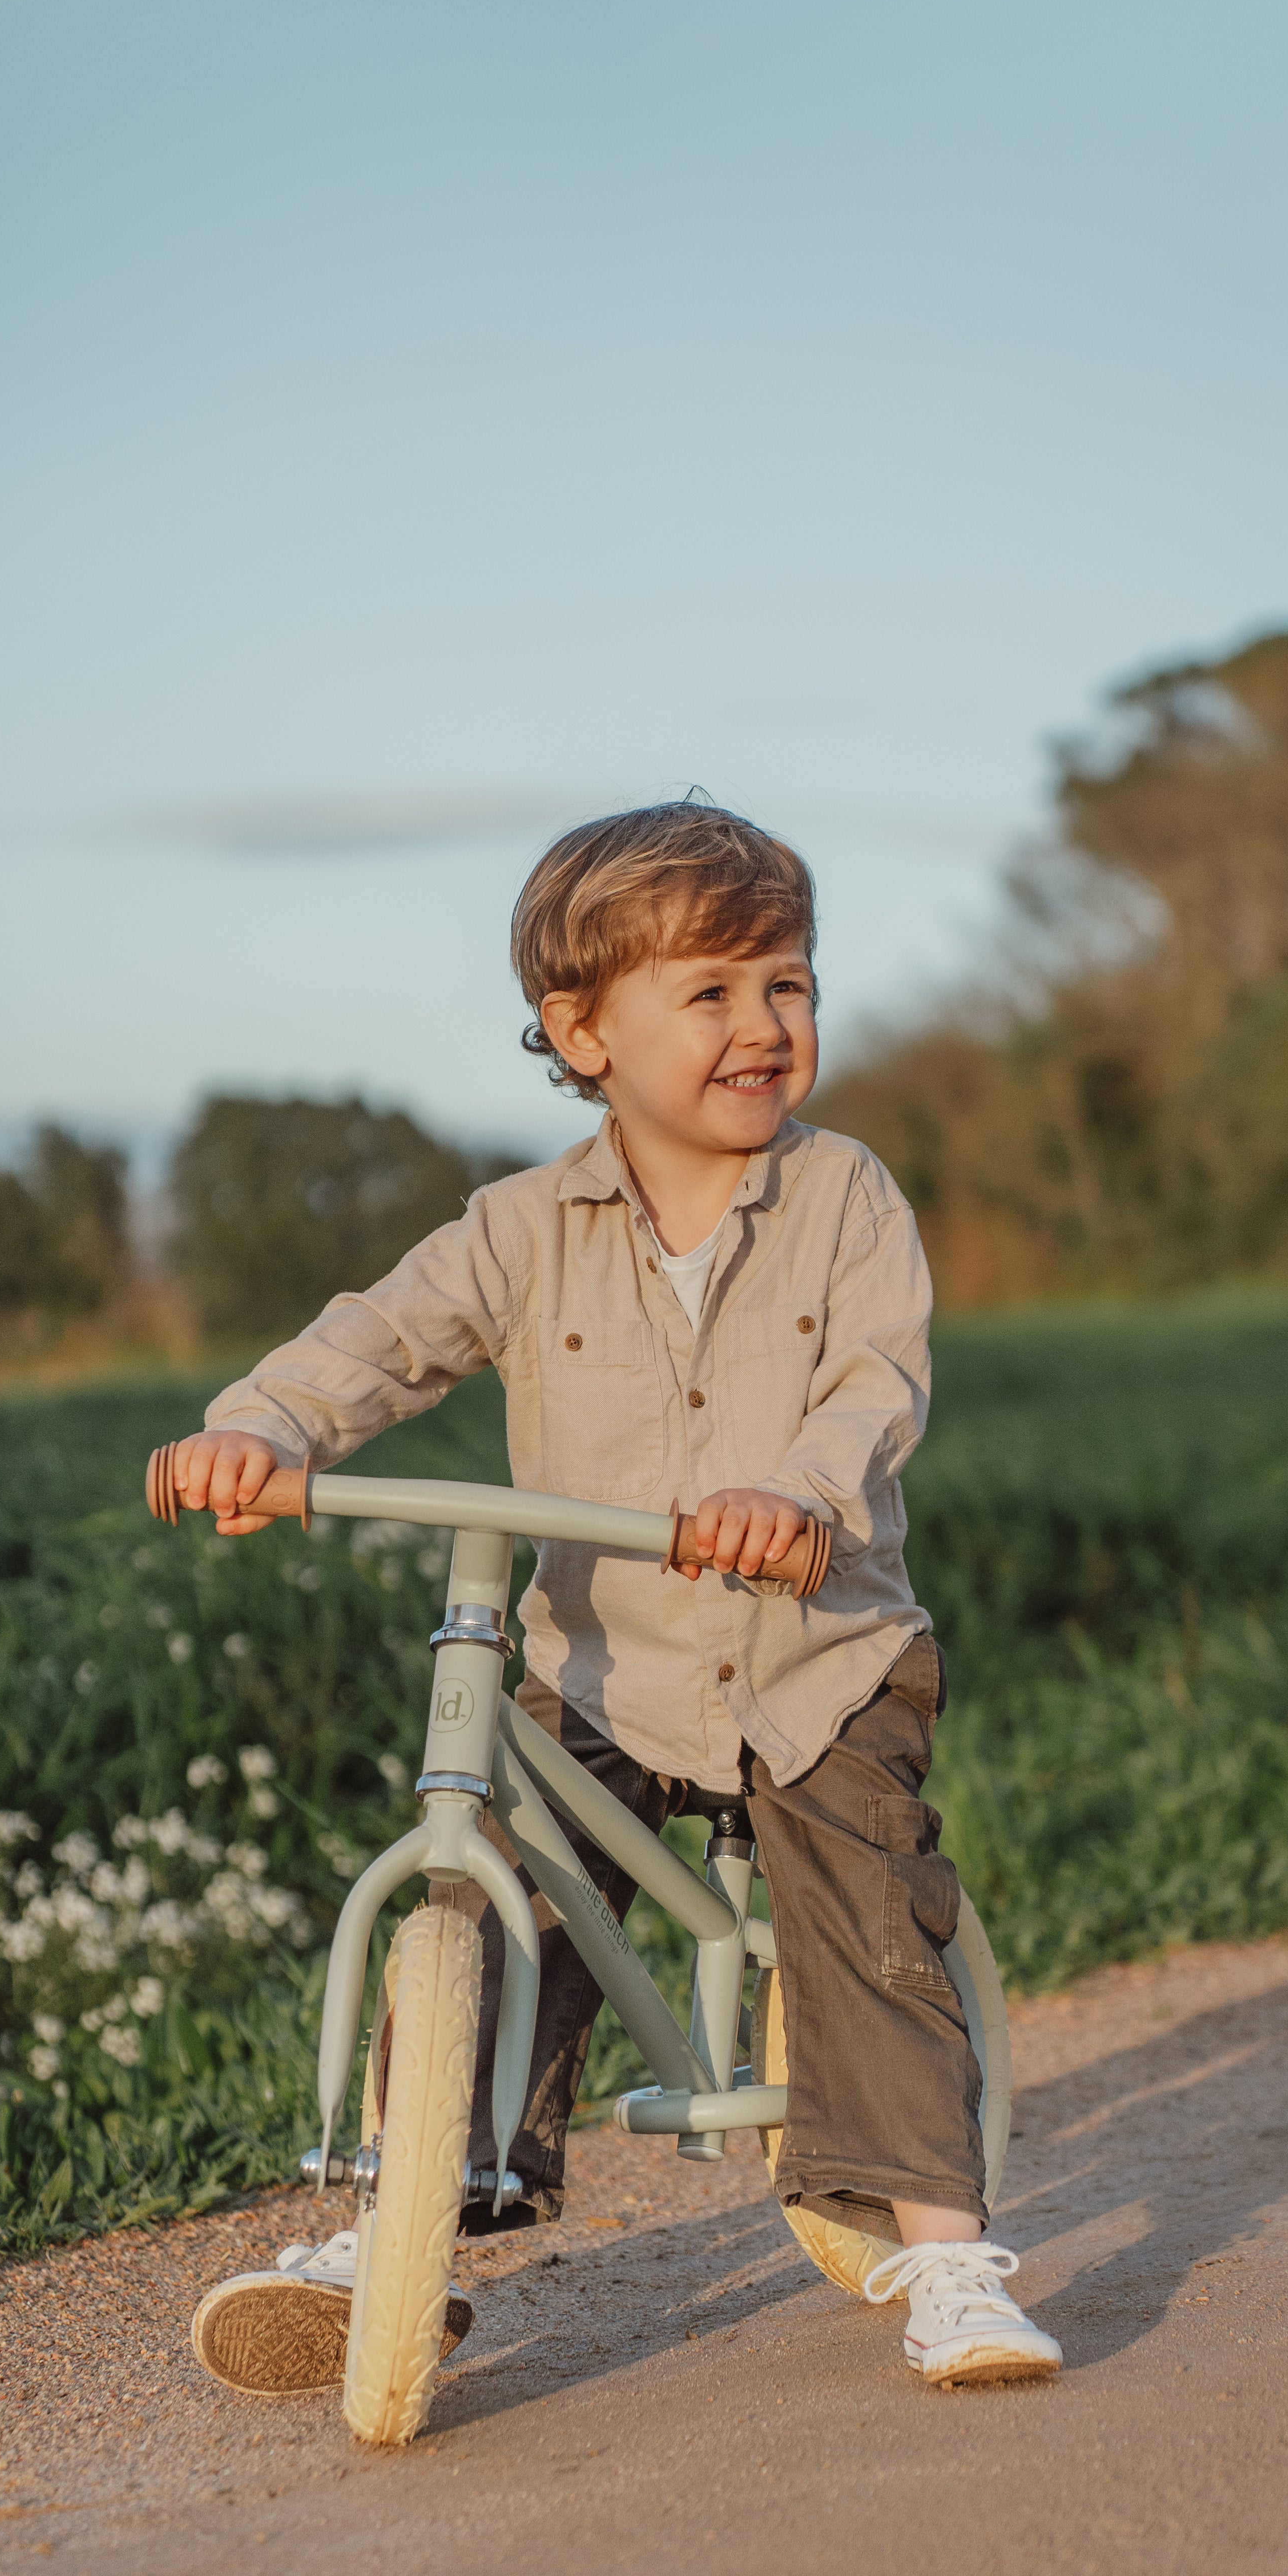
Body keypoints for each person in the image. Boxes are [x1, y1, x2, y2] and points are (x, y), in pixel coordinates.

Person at [176, 799, 1060, 2398]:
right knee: (496, 1901)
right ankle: (408, 2224)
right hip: (604, 1665)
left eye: (786, 985)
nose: (761, 1025)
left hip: (818, 1654)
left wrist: (793, 1494)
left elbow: (872, 1387)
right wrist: (263, 1428)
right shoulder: (523, 1229)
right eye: (710, 993)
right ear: (581, 1032)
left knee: (864, 1914)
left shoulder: (847, 1196)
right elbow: (384, 1337)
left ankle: (945, 2251)